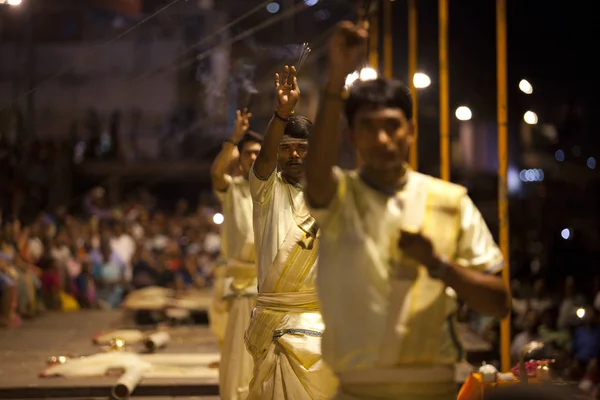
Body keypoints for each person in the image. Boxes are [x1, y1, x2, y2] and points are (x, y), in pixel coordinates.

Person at [304, 21, 510, 400]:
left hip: (435, 387)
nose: (382, 139)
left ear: (411, 131)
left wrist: (439, 265)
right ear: (350, 137)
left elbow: (498, 303)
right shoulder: (338, 197)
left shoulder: (451, 200)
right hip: (355, 389)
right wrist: (335, 78)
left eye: (392, 126)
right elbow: (314, 174)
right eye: (368, 127)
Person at [245, 65, 338, 400]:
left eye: (301, 147)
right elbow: (265, 156)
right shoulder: (265, 190)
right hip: (272, 327)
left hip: (319, 324)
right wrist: (282, 114)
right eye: (286, 148)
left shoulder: (331, 196)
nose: (294, 154)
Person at [210, 109, 262, 399]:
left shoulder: (274, 191)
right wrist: (234, 138)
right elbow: (217, 173)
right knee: (238, 353)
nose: (253, 158)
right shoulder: (233, 189)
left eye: (258, 153)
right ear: (240, 161)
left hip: (269, 284)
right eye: (248, 153)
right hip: (240, 284)